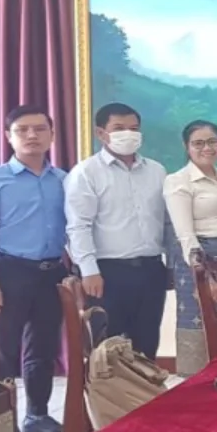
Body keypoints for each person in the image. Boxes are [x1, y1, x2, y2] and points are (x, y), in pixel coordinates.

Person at [0, 105, 67, 432]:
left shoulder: (64, 180)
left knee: (43, 348)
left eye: (39, 129)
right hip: (11, 272)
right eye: (22, 130)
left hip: (52, 273)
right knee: (4, 350)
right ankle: (0, 421)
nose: (31, 135)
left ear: (51, 135)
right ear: (8, 137)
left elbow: (73, 230)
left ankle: (37, 414)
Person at [65, 102, 168, 359]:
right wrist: (89, 270)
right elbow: (78, 225)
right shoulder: (86, 173)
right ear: (101, 133)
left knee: (146, 345)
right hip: (107, 274)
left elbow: (166, 222)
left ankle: (145, 387)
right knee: (108, 351)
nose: (128, 134)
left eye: (134, 128)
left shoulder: (157, 171)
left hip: (151, 270)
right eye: (119, 128)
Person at [164, 120, 217, 376]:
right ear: (187, 147)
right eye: (198, 143)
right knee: (202, 320)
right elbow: (184, 234)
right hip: (201, 260)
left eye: (212, 142)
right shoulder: (178, 181)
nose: (206, 148)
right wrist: (203, 274)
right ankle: (197, 381)